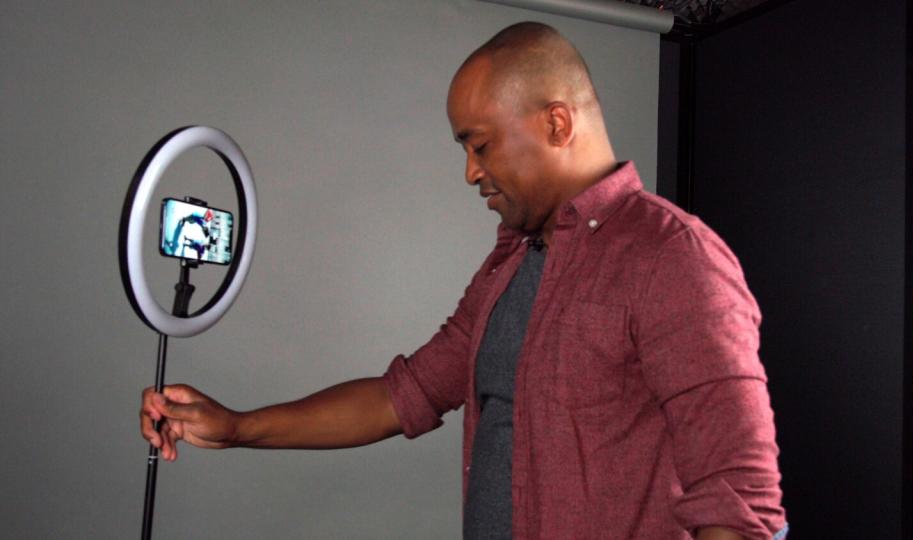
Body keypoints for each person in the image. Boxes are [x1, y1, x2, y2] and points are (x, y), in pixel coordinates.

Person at [140, 22, 787, 540]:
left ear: (557, 124)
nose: (471, 173)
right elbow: (404, 395)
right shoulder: (509, 264)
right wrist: (235, 426)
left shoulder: (673, 256)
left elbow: (739, 496)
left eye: (479, 145)